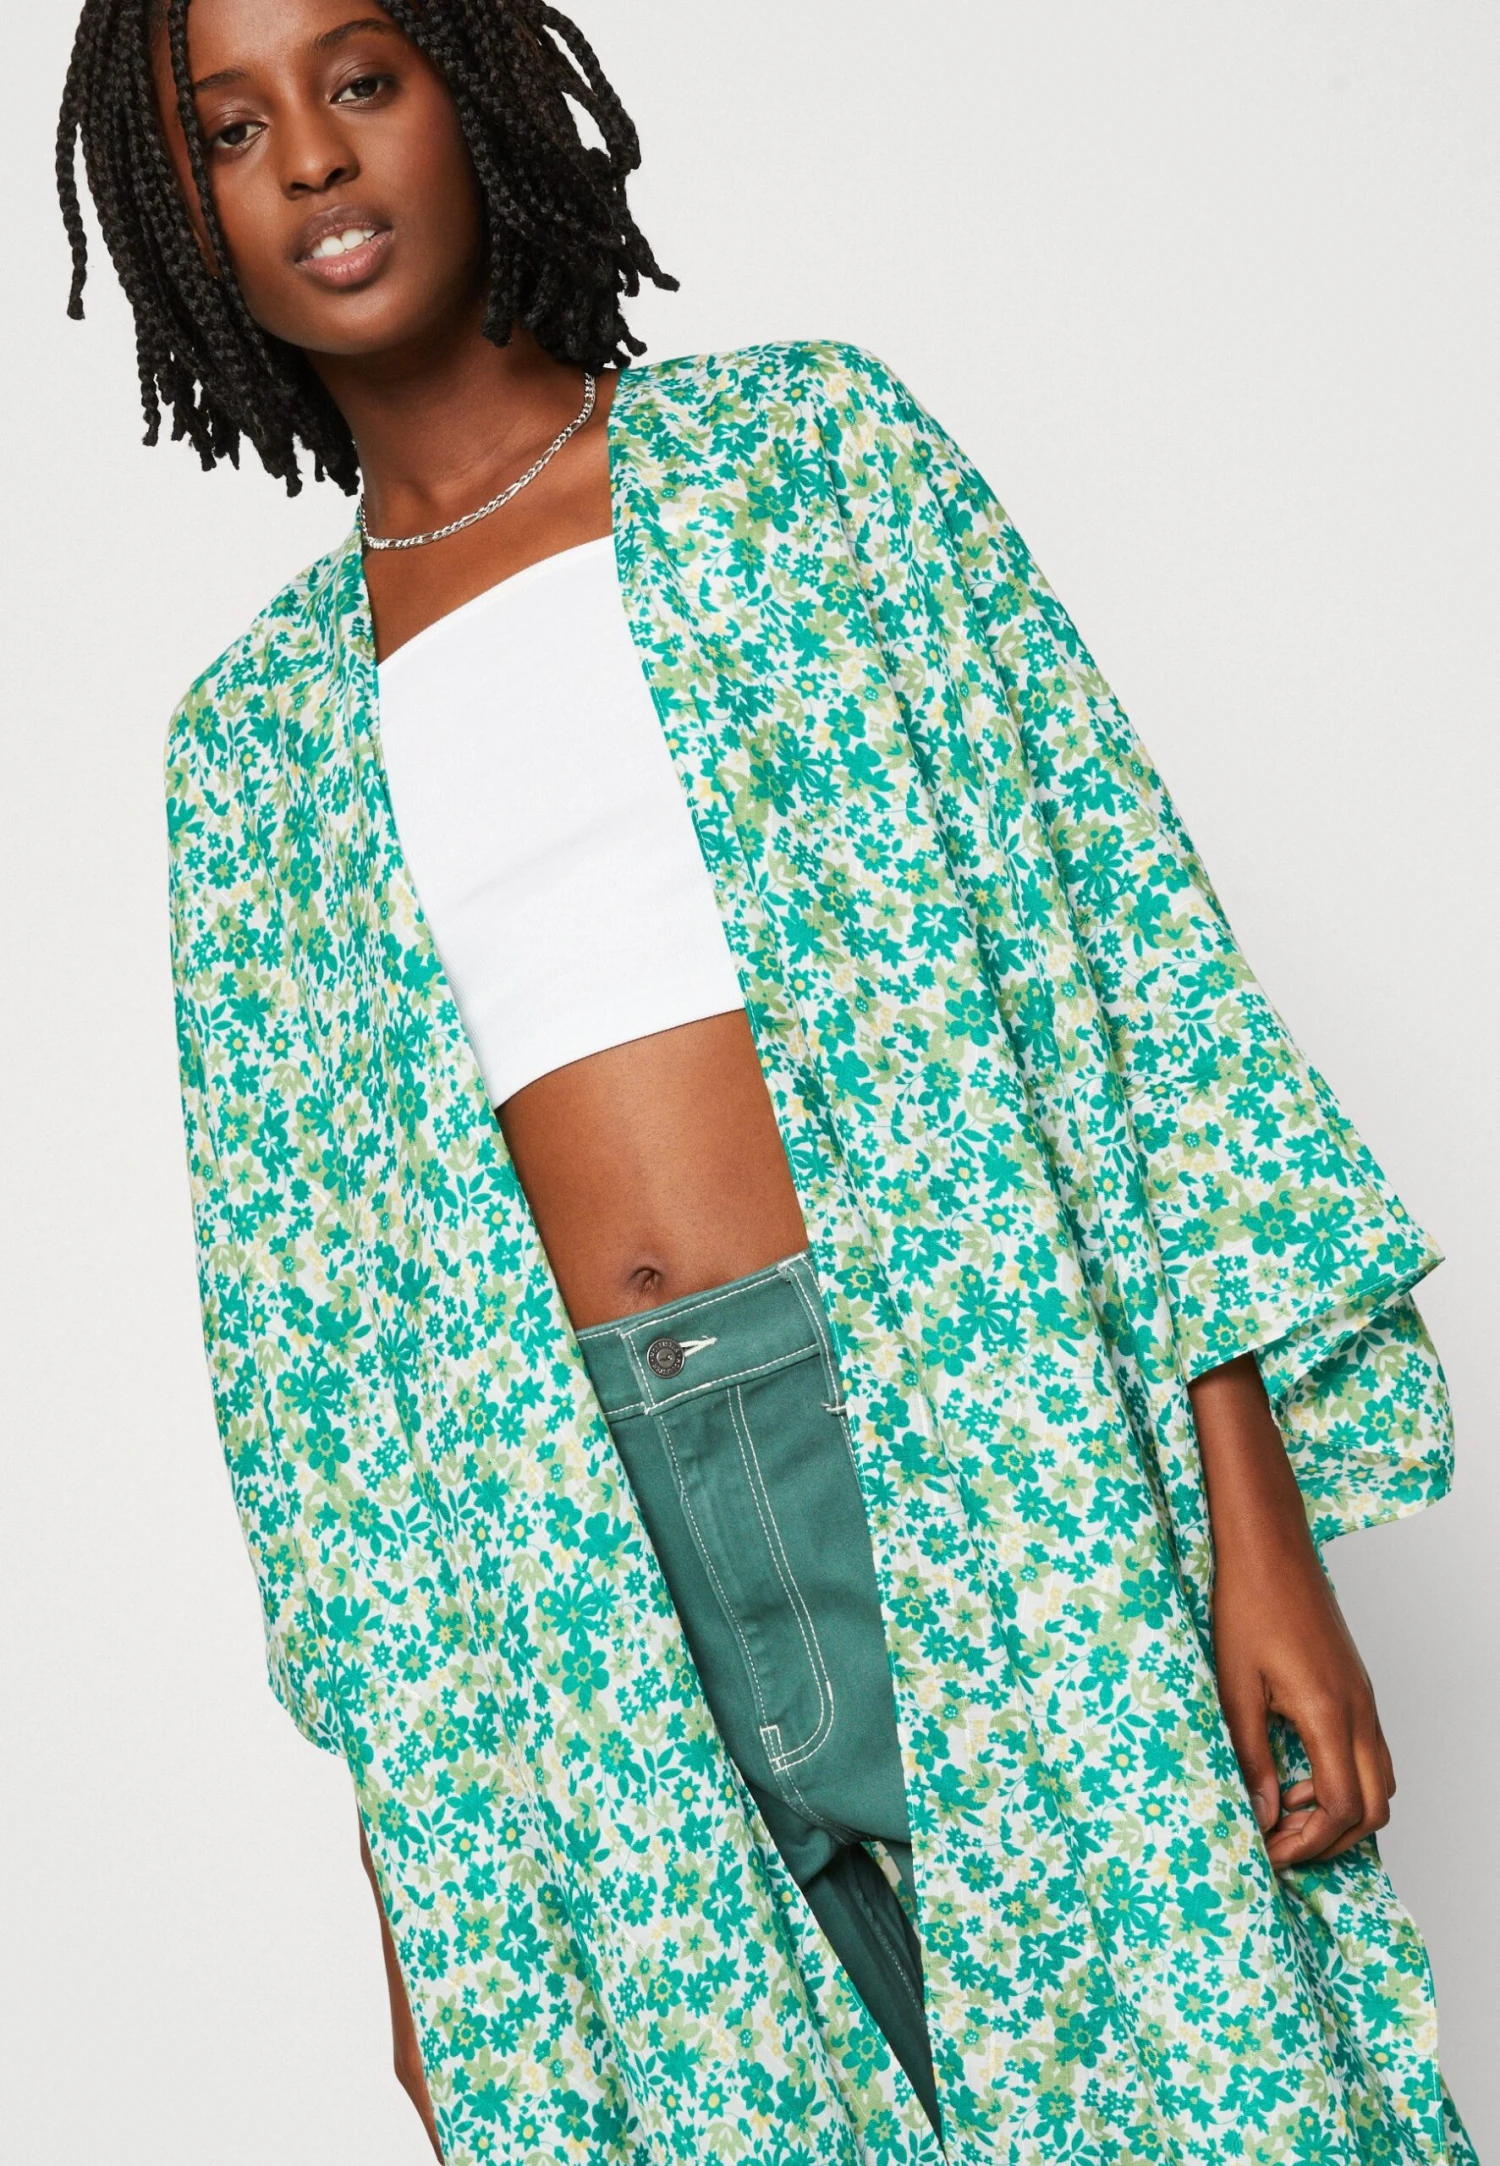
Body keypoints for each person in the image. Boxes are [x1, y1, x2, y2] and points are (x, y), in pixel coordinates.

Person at [57, 2, 1474, 2161]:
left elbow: (1119, 972)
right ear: (178, 221)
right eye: (228, 133)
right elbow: (303, 1349)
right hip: (558, 1552)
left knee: (1214, 2086)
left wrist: (1257, 1529)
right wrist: (413, 1881)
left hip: (959, 1425)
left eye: (360, 82)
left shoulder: (812, 462)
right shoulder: (246, 751)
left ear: (472, 91)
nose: (314, 164)